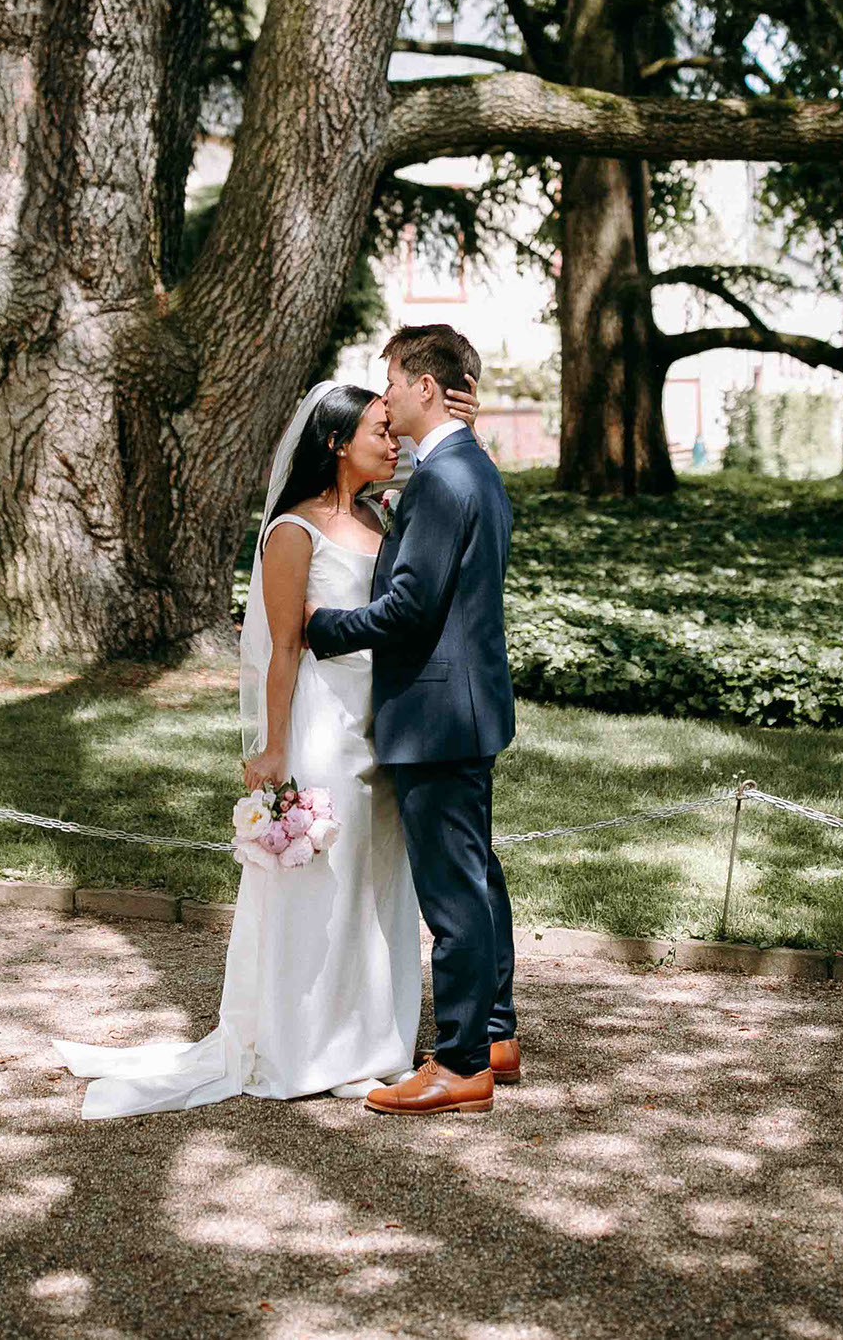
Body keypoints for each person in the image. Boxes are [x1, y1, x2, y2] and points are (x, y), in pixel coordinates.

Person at [50, 369, 482, 1119]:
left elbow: (445, 489)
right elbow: (282, 648)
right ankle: (306, 1042)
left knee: (377, 883)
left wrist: (461, 426)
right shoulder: (293, 531)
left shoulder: (384, 517)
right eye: (380, 431)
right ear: (336, 443)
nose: (394, 442)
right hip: (322, 725)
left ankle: (370, 1041)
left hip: (384, 722)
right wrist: (275, 749)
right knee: (324, 885)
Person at [306, 324, 517, 1116]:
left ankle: (461, 1066)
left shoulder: (441, 481)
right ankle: (494, 1033)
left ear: (425, 386)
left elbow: (407, 608)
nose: (386, 399)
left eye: (393, 381)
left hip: (435, 714)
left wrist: (322, 627)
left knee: (453, 897)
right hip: (466, 707)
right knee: (477, 878)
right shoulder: (472, 466)